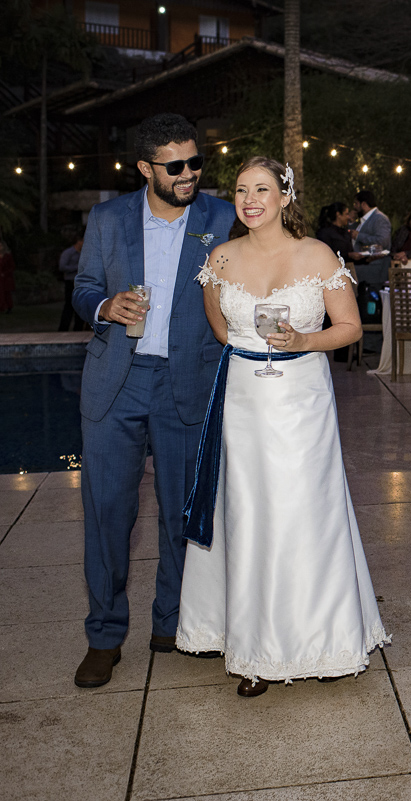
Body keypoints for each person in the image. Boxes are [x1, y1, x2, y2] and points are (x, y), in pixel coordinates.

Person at [176, 156, 388, 697]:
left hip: (302, 400)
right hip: (244, 401)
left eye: (262, 189)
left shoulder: (316, 254)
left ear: (285, 196)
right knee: (248, 514)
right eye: (243, 189)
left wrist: (300, 342)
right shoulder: (220, 258)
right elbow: (222, 329)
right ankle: (254, 649)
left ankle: (321, 637)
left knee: (303, 511)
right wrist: (252, 352)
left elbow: (348, 328)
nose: (250, 199)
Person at [70, 113, 237, 689]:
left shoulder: (222, 216)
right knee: (108, 512)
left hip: (187, 379)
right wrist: (105, 305)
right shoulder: (109, 218)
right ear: (145, 168)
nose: (190, 173)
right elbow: (84, 286)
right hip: (117, 381)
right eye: (176, 166)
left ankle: (172, 618)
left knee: (180, 511)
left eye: (196, 162)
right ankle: (104, 634)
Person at [350, 189, 391, 289]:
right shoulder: (362, 220)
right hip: (363, 270)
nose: (354, 207)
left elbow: (383, 241)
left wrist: (359, 236)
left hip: (374, 270)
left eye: (356, 204)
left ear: (363, 204)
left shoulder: (380, 218)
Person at [58, 229, 87, 330]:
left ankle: (78, 329)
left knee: (80, 306)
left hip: (80, 284)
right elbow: (62, 267)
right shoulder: (68, 253)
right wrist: (77, 267)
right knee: (69, 306)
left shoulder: (84, 253)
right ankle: (63, 329)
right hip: (70, 283)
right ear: (79, 241)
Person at [0, 238, 14, 313]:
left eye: (1, 245)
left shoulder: (8, 256)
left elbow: (11, 267)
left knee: (6, 293)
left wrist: (5, 273)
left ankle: (9, 307)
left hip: (6, 277)